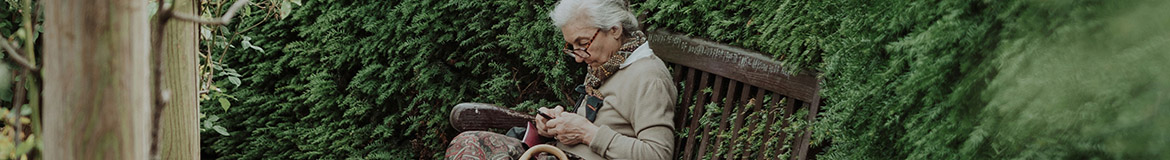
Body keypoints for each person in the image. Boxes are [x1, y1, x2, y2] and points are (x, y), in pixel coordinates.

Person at [445, 0, 676, 159]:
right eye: (572, 46)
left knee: (471, 146)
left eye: (583, 43)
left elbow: (658, 154)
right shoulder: (608, 64)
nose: (577, 58)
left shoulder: (648, 76)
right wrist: (555, 125)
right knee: (470, 142)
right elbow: (601, 121)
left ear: (614, 29)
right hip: (556, 153)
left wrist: (588, 133)